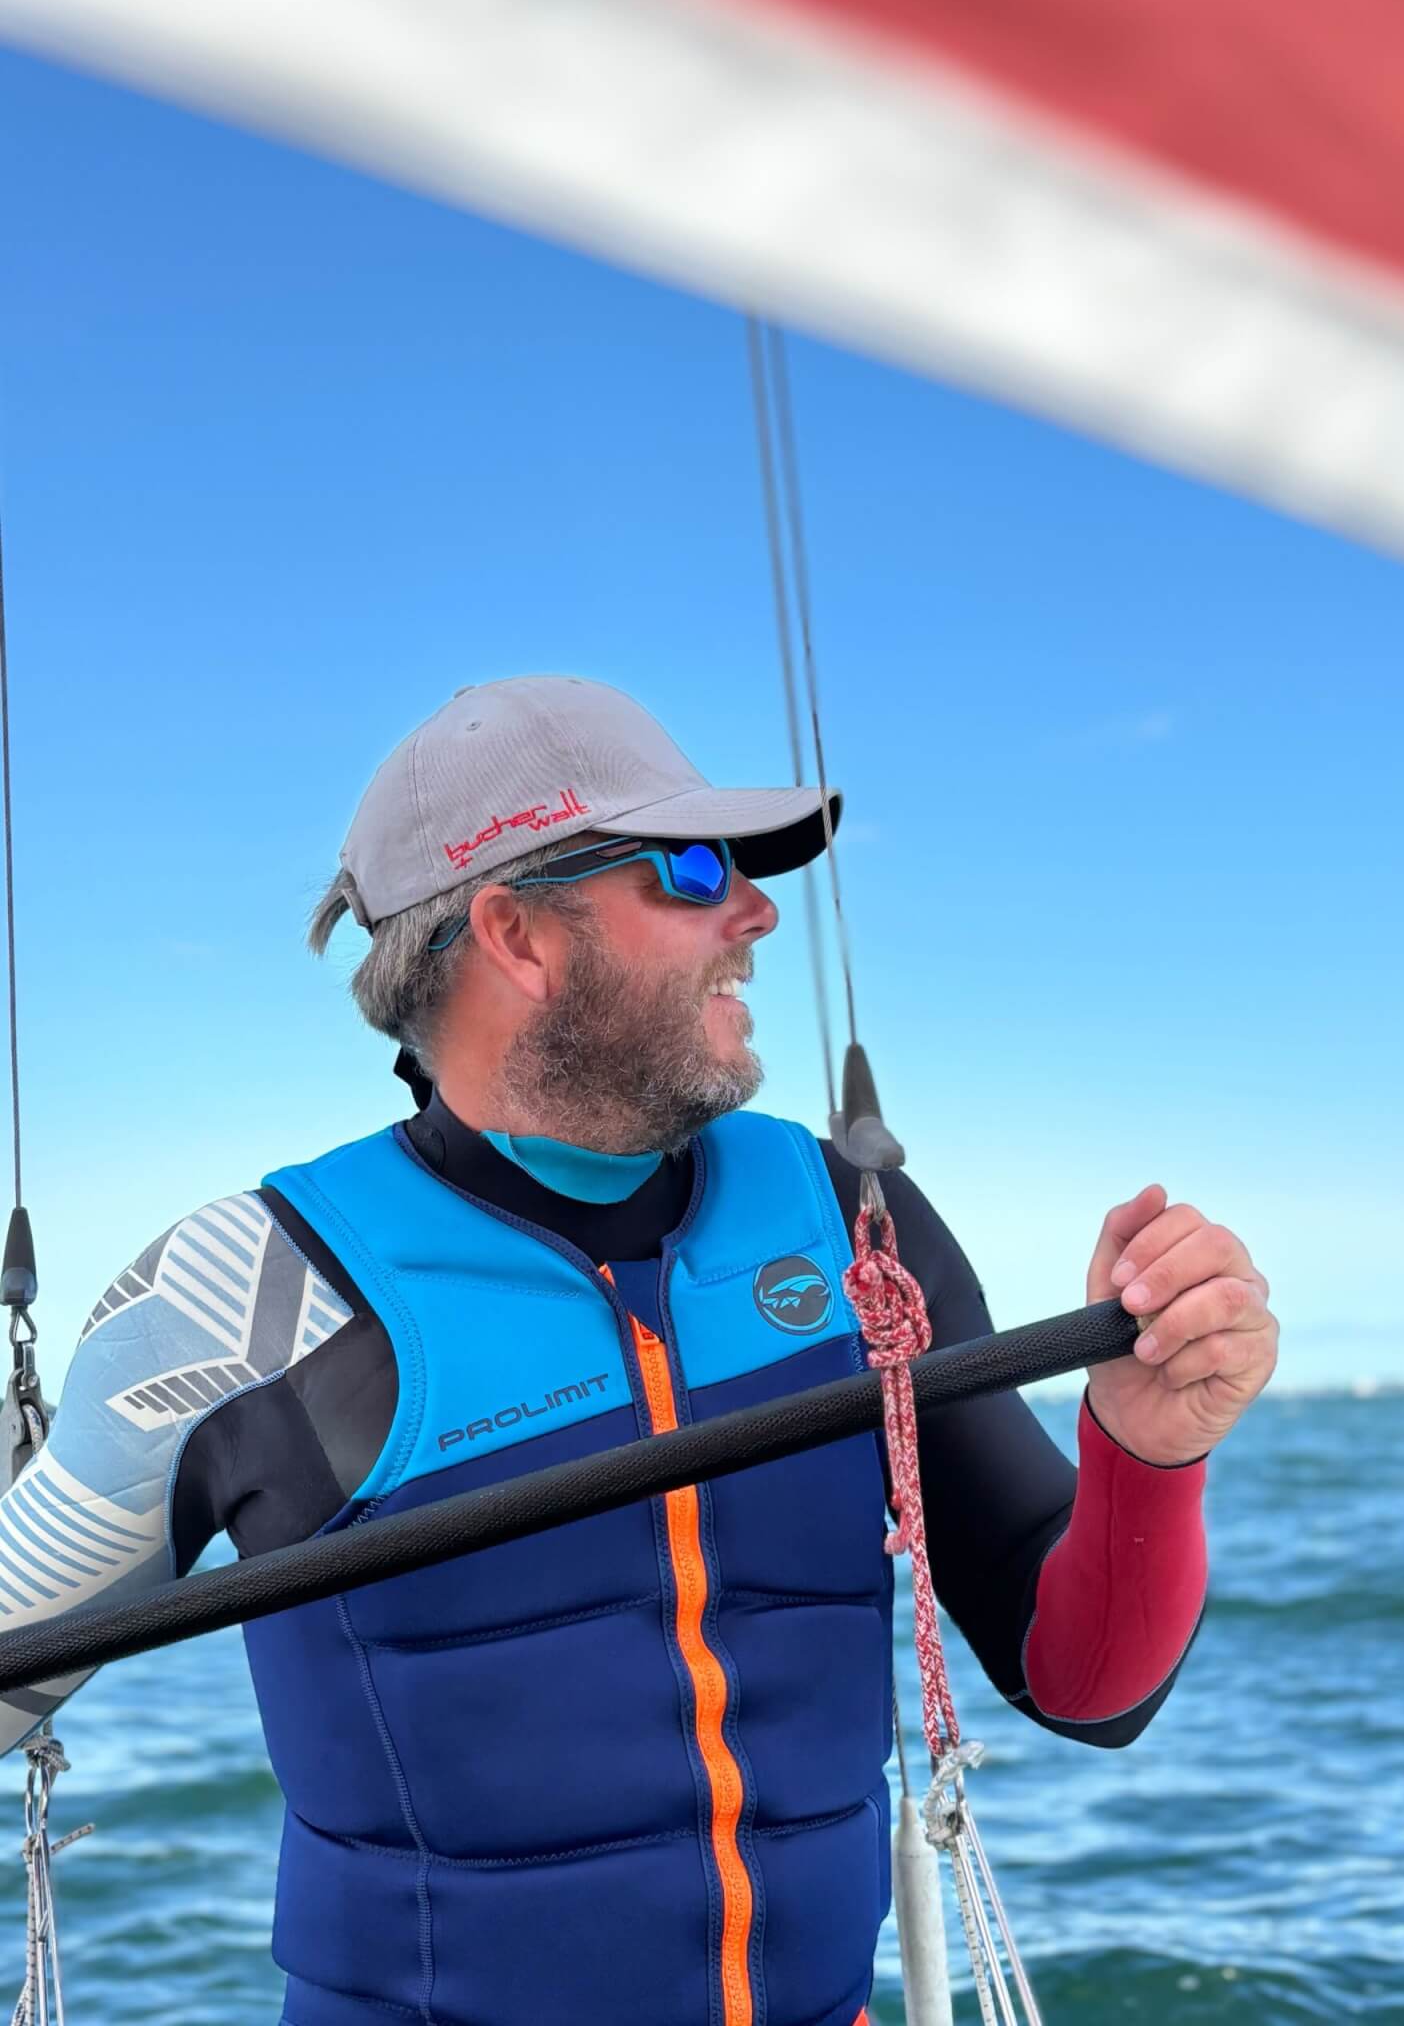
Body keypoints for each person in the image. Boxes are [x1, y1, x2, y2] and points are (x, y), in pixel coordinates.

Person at [0, 677, 1278, 2026]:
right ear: (515, 932)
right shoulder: (242, 1299)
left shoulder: (851, 1226)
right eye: (690, 869)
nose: (757, 912)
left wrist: (1145, 1450)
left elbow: (1085, 1688)